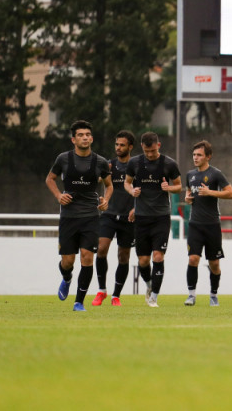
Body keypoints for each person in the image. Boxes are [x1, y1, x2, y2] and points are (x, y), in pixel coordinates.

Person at [45, 120, 113, 312]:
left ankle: (79, 302)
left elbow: (109, 185)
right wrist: (59, 195)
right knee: (68, 261)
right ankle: (67, 278)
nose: (85, 137)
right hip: (68, 216)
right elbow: (50, 179)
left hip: (91, 216)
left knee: (87, 257)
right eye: (81, 135)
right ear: (73, 139)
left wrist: (106, 200)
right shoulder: (63, 159)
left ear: (91, 138)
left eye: (88, 134)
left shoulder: (100, 161)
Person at [124, 132, 183, 308]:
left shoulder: (169, 164)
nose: (150, 154)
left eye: (153, 150)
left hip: (161, 217)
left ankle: (154, 297)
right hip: (141, 217)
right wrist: (131, 191)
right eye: (147, 150)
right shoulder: (134, 163)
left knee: (158, 256)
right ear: (142, 147)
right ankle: (149, 285)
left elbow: (179, 185)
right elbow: (127, 183)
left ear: (159, 145)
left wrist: (169, 188)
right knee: (143, 261)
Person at [183, 140, 232, 307]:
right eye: (194, 155)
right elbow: (189, 194)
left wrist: (210, 192)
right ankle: (191, 295)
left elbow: (230, 193)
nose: (195, 158)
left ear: (208, 157)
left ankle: (213, 294)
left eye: (199, 155)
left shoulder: (216, 174)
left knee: (214, 264)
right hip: (195, 224)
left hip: (212, 225)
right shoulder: (190, 175)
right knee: (193, 259)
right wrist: (188, 198)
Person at [92, 130, 135, 307]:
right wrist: (103, 200)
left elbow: (145, 192)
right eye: (116, 144)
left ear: (130, 147)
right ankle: (101, 290)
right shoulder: (108, 165)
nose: (118, 148)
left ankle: (116, 295)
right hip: (108, 215)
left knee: (123, 256)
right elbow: (98, 183)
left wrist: (136, 208)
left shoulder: (137, 167)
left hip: (129, 217)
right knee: (101, 249)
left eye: (122, 145)